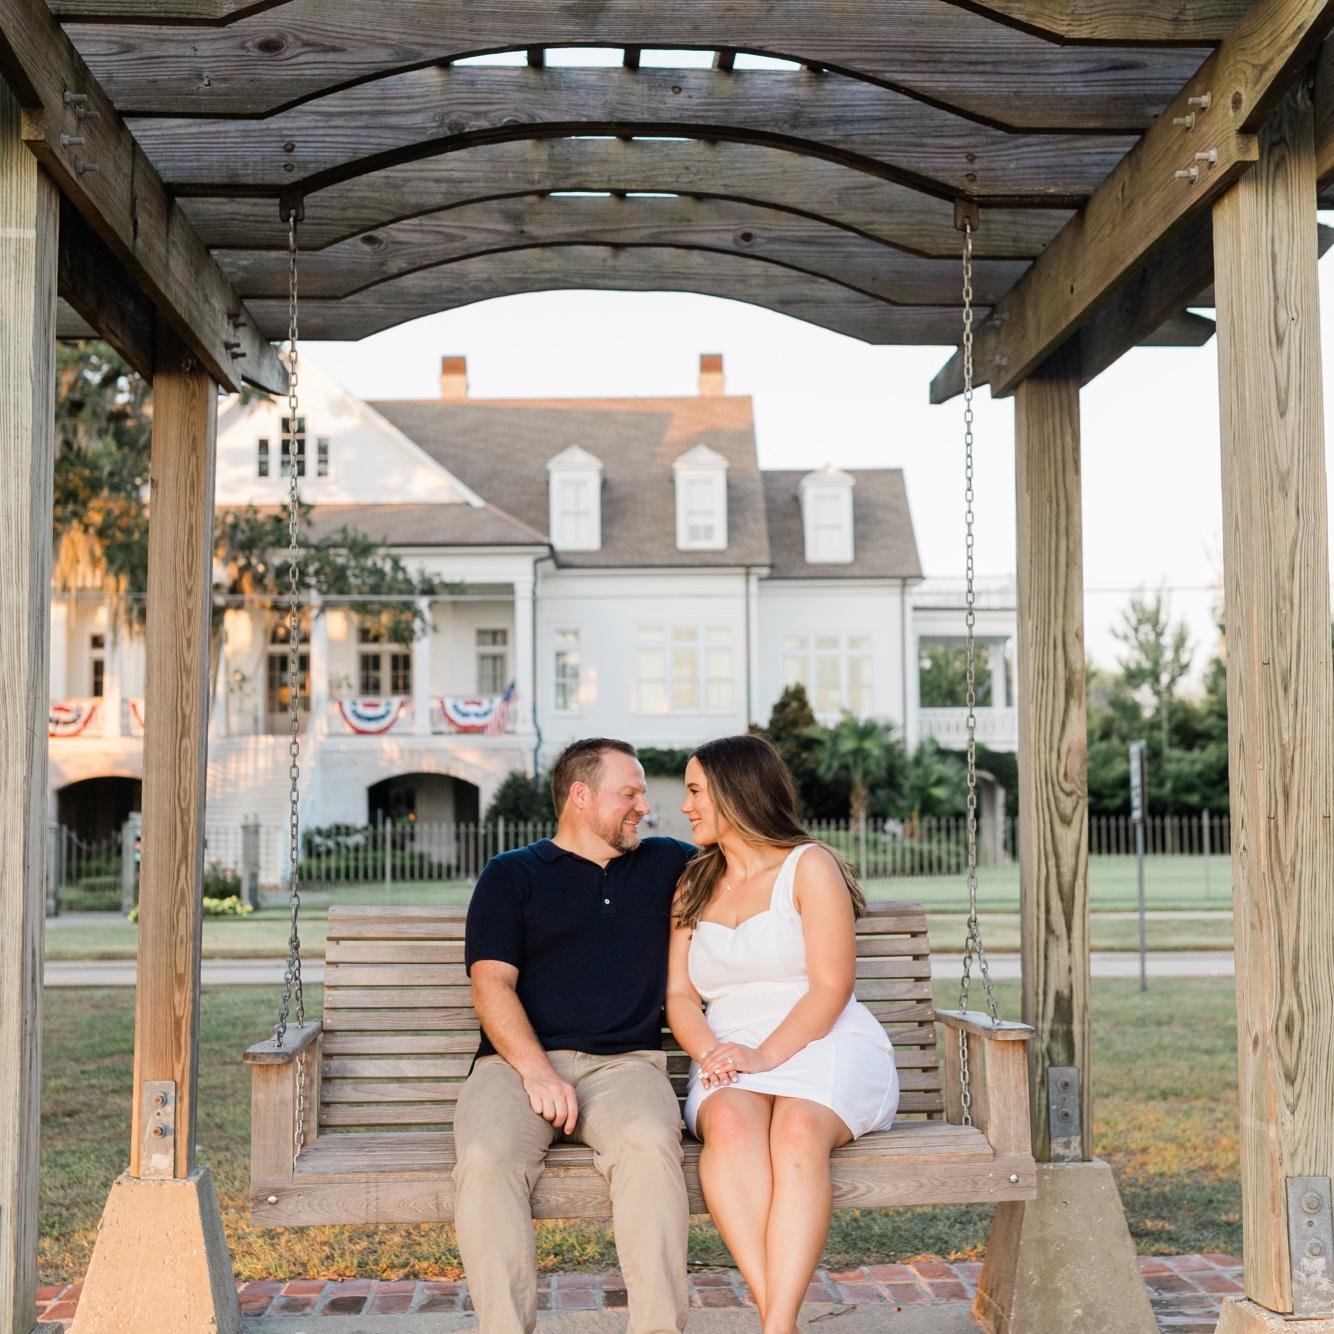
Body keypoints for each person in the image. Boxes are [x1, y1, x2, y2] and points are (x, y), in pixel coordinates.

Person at [454, 738, 697, 1334]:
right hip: (515, 1067)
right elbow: (491, 984)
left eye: (643, 794)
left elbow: (752, 856)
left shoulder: (668, 862)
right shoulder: (512, 874)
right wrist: (537, 1072)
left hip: (626, 1065)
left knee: (648, 1144)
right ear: (581, 796)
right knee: (486, 1159)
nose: (644, 806)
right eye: (629, 793)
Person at [666, 734, 899, 1334]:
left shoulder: (809, 866)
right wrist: (713, 1055)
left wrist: (764, 1054)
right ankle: (780, 1318)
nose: (686, 806)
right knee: (729, 1124)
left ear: (734, 793)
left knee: (797, 1131)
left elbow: (831, 986)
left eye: (695, 792)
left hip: (824, 1040)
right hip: (728, 1049)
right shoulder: (693, 884)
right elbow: (680, 997)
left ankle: (776, 1324)